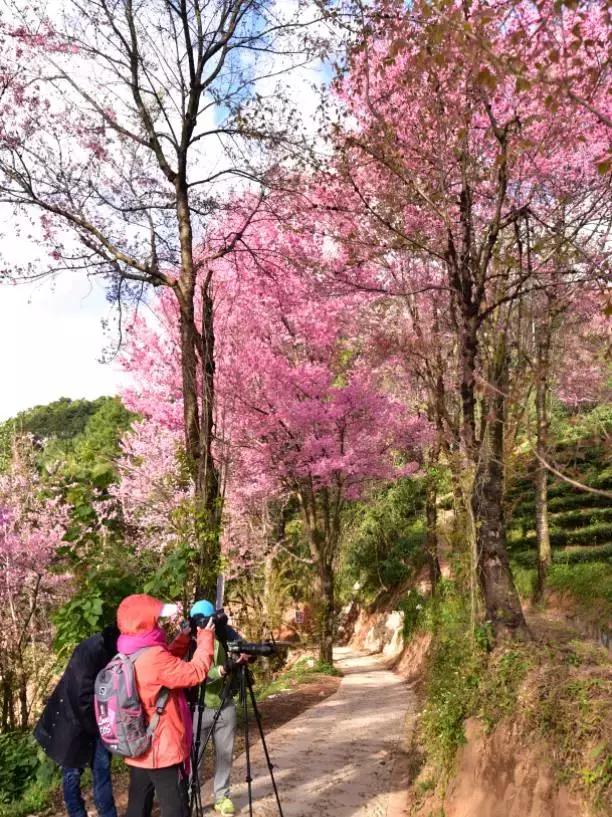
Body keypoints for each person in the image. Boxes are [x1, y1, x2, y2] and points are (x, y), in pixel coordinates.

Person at [118, 593, 215, 817]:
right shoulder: (154, 657)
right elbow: (196, 672)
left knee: (137, 806)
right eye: (156, 620)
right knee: (176, 809)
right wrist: (205, 636)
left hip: (139, 743)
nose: (159, 624)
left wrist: (183, 638)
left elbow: (164, 664)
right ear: (145, 622)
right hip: (160, 748)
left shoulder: (129, 650)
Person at [34, 624, 120, 817]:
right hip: (72, 723)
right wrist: (98, 727)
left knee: (101, 771)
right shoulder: (90, 652)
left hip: (95, 719)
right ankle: (77, 813)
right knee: (72, 773)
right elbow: (80, 695)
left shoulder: (107, 648)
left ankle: (108, 814)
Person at [191, 600, 250, 817]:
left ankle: (222, 797)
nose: (202, 625)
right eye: (198, 620)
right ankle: (190, 795)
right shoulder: (191, 643)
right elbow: (199, 674)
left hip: (225, 706)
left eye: (205, 620)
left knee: (224, 756)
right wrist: (224, 669)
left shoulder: (225, 636)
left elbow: (241, 648)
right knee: (194, 758)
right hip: (200, 708)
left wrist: (243, 656)